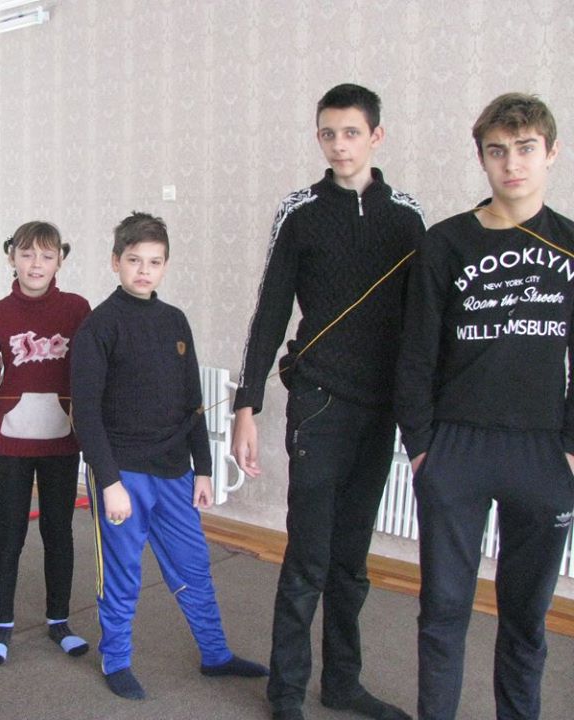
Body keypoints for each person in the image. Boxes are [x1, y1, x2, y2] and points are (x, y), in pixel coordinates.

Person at [231, 84, 424, 720]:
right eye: (327, 134)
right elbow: (270, 310)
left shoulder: (407, 216)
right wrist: (246, 404)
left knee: (351, 560)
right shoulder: (300, 211)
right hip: (318, 400)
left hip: (380, 407)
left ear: (376, 136)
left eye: (351, 133)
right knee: (309, 555)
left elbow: (423, 320)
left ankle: (343, 683)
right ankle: (286, 692)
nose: (339, 145)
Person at [395, 92, 574, 720]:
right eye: (498, 151)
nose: (512, 164)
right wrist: (421, 448)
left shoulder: (570, 246)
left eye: (525, 149)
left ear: (551, 152)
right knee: (443, 611)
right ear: (482, 158)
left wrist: (570, 451)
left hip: (543, 453)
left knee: (526, 618)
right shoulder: (445, 243)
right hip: (455, 449)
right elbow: (415, 354)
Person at [71, 211, 268, 701]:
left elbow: (192, 402)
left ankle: (215, 655)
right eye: (134, 260)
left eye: (154, 262)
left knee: (193, 567)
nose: (144, 270)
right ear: (115, 262)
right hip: (123, 475)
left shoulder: (175, 321)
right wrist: (109, 481)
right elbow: (86, 415)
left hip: (175, 471)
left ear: (165, 265)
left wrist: (203, 469)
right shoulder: (99, 326)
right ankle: (116, 659)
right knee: (123, 574)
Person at [0, 221, 91, 665]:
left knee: (59, 532)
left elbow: (93, 372)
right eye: (27, 254)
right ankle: (1, 625)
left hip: (62, 440)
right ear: (11, 257)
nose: (37, 264)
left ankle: (59, 621)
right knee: (9, 533)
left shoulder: (77, 309)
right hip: (12, 443)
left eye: (47, 256)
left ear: (60, 260)